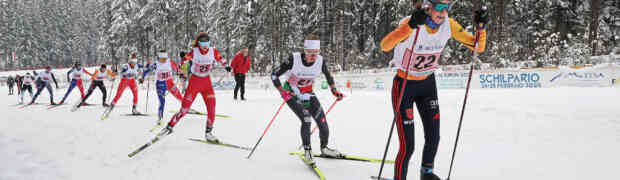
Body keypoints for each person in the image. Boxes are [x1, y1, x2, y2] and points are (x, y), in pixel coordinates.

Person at [379, 1, 487, 180]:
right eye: (439, 8)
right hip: (404, 85)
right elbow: (385, 45)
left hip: (427, 84)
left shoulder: (449, 25)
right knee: (408, 146)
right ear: (428, 6)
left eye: (447, 8)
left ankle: (426, 174)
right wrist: (411, 25)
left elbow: (478, 47)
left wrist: (481, 28)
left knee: (434, 137)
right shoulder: (410, 22)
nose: (443, 13)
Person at [271, 34, 345, 165]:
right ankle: (308, 151)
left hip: (308, 93)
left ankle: (324, 148)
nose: (313, 56)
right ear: (305, 51)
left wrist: (334, 91)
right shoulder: (294, 59)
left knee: (322, 122)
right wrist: (282, 91)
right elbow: (273, 75)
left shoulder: (320, 61)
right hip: (291, 93)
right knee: (306, 119)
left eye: (316, 53)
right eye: (310, 53)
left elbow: (328, 75)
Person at [159, 32, 232, 142]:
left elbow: (220, 58)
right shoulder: (195, 51)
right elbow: (184, 60)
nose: (205, 46)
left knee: (212, 108)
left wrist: (226, 66)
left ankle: (208, 133)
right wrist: (183, 58)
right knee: (184, 109)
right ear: (198, 44)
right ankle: (170, 126)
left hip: (206, 82)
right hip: (195, 82)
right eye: (202, 44)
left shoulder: (213, 51)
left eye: (207, 43)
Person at [141, 50, 184, 123]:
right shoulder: (156, 64)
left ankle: (185, 107)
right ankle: (160, 117)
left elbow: (177, 68)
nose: (164, 60)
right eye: (162, 59)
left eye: (165, 58)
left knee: (179, 96)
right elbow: (147, 70)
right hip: (160, 84)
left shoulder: (169, 62)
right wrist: (142, 77)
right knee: (162, 101)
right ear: (159, 58)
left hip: (169, 83)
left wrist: (180, 73)